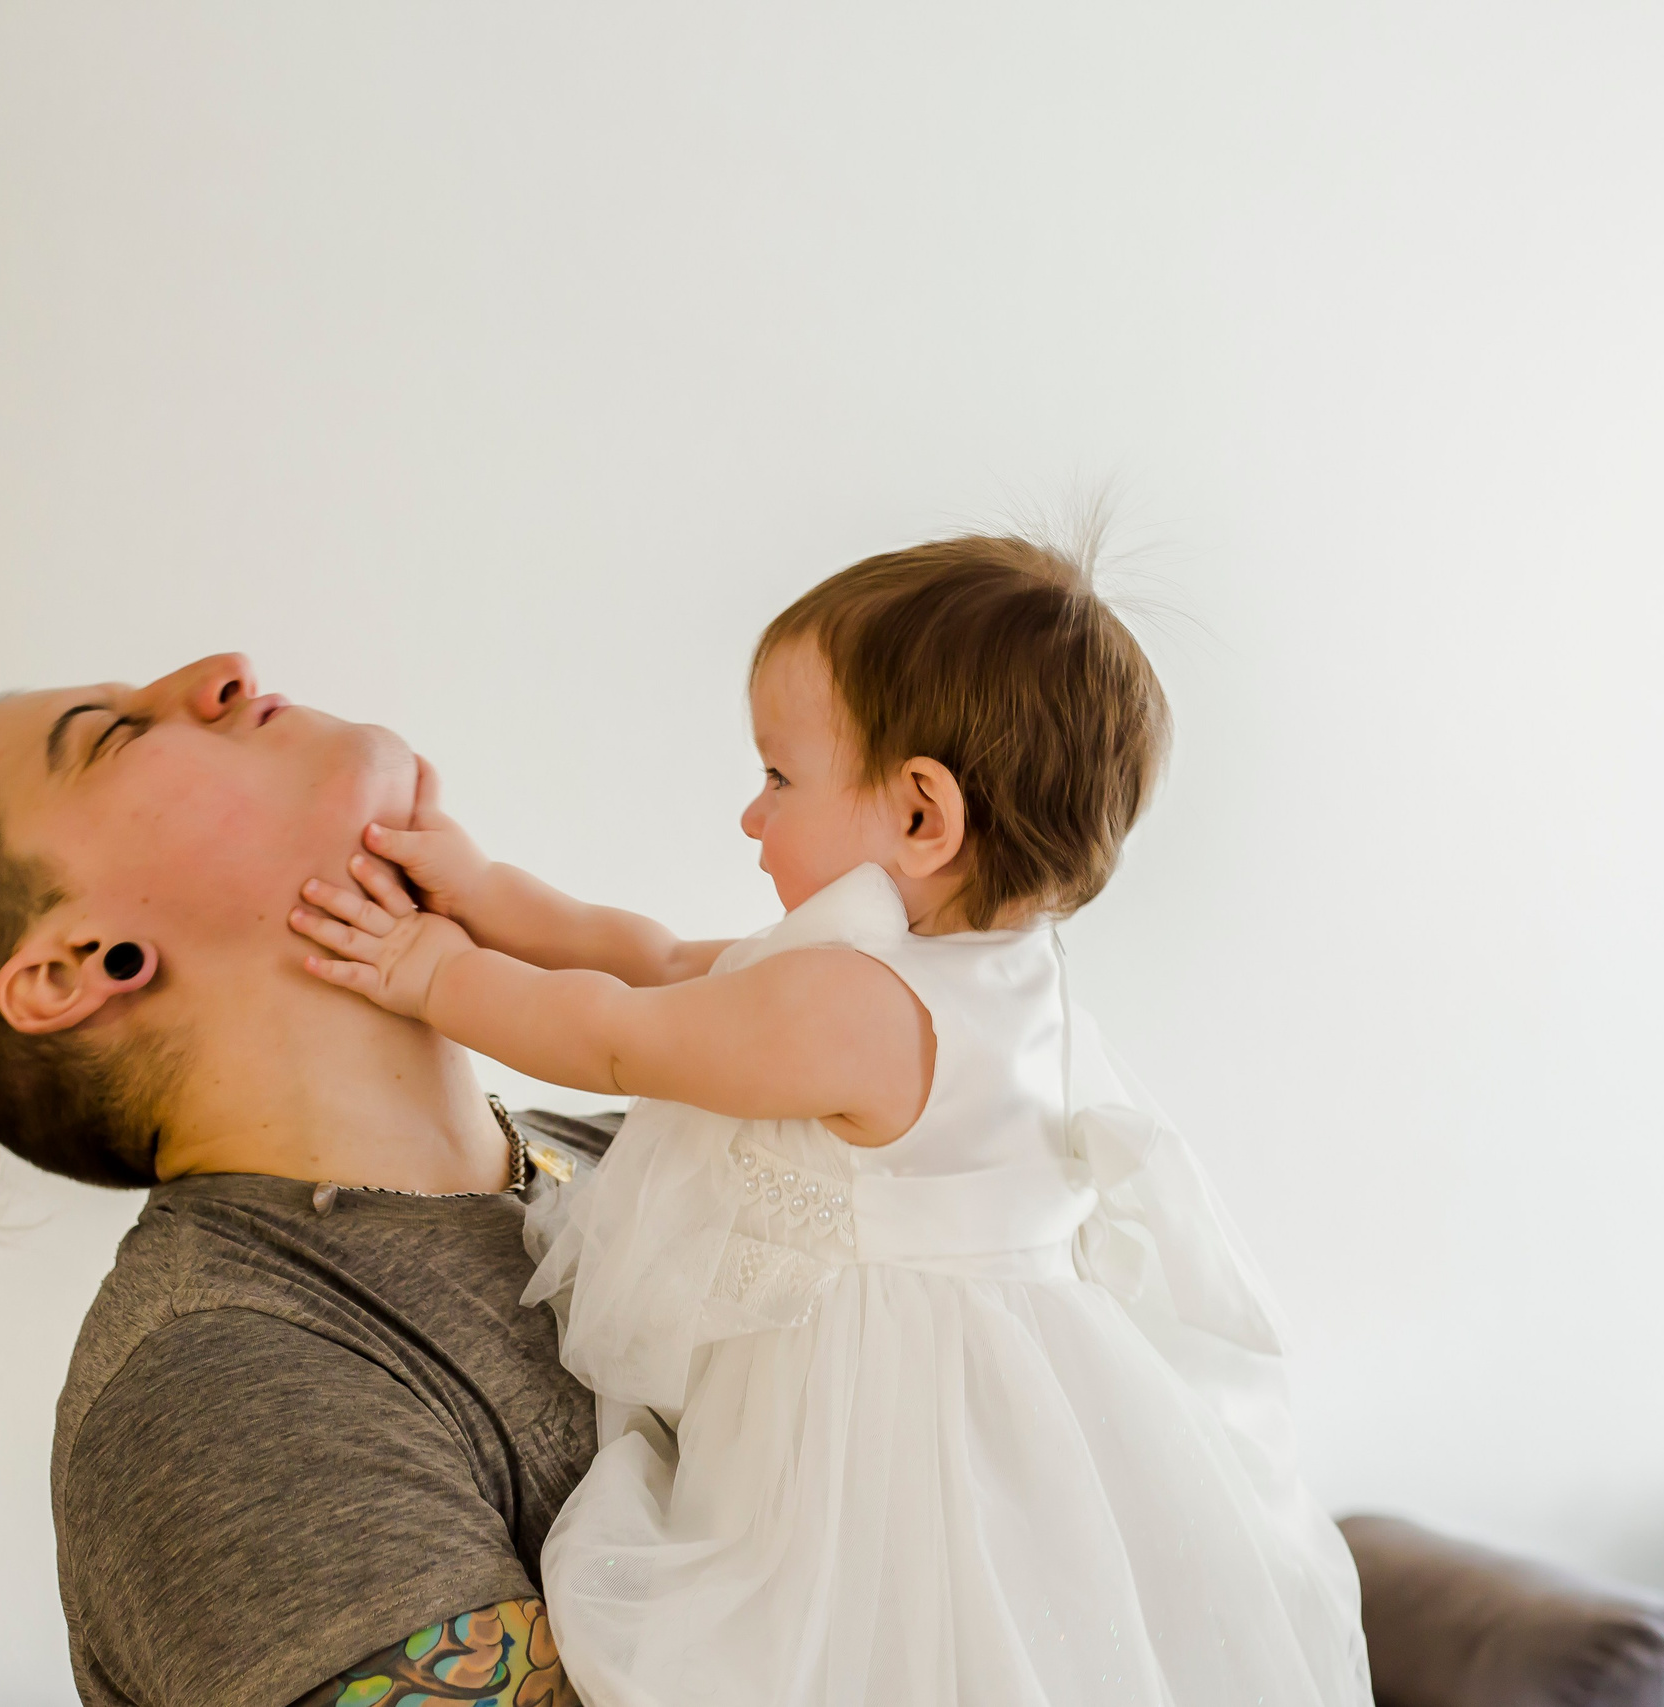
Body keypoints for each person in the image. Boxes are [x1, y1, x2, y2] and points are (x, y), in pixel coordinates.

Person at [289, 535, 1374, 1707]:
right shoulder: (985, 970)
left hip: (896, 1438)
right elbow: (653, 956)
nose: (751, 817)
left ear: (921, 815)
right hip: (1017, 1403)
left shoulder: (855, 1005)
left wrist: (431, 972)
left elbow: (615, 1033)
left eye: (778, 778)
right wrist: (488, 890)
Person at [0, 653, 596, 1707]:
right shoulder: (224, 1386)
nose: (219, 673)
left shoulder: (662, 1148)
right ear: (79, 962)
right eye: (111, 734)